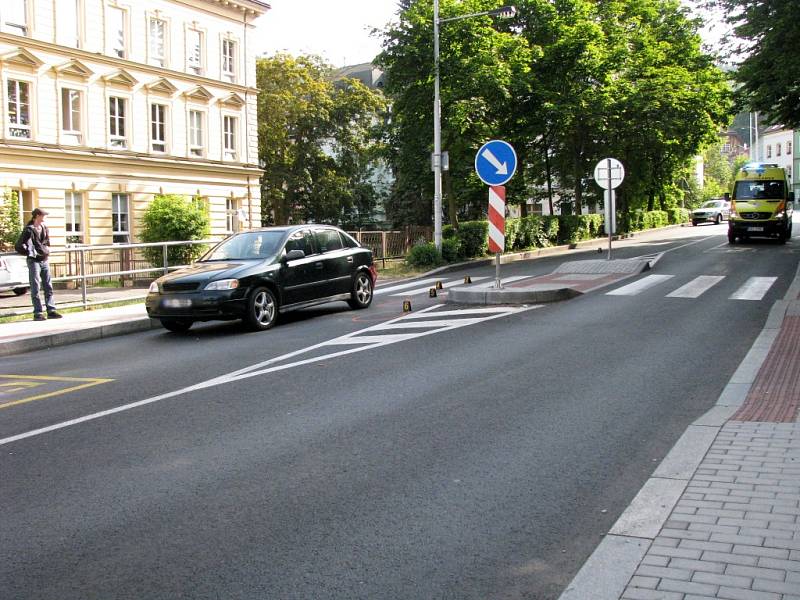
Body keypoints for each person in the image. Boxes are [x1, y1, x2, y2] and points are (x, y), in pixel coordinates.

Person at [19, 208, 61, 321]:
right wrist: (29, 252)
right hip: (34, 261)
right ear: (37, 216)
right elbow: (19, 245)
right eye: (43, 215)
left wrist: (47, 250)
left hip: (45, 260)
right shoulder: (29, 230)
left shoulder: (44, 228)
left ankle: (51, 310)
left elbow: (47, 242)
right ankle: (38, 312)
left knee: (48, 285)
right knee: (35, 286)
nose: (45, 217)